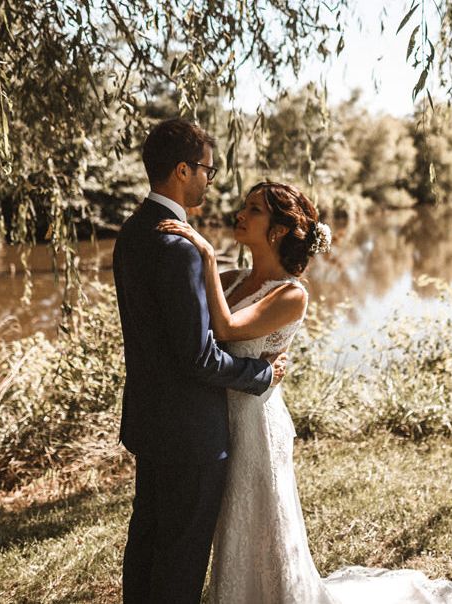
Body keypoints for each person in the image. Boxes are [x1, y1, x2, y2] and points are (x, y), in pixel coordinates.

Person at [158, 181, 452, 603]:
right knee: (234, 523)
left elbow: (225, 329)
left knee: (266, 525)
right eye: (246, 206)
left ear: (276, 230)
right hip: (222, 422)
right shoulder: (232, 280)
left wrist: (203, 252)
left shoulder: (291, 294)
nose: (240, 214)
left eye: (253, 210)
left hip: (258, 425)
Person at [112, 119, 288, 604]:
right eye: (208, 169)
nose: (211, 180)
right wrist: (261, 374)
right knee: (181, 555)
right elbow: (198, 357)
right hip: (190, 431)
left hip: (150, 421)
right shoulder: (178, 247)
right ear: (183, 170)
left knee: (147, 540)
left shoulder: (132, 232)